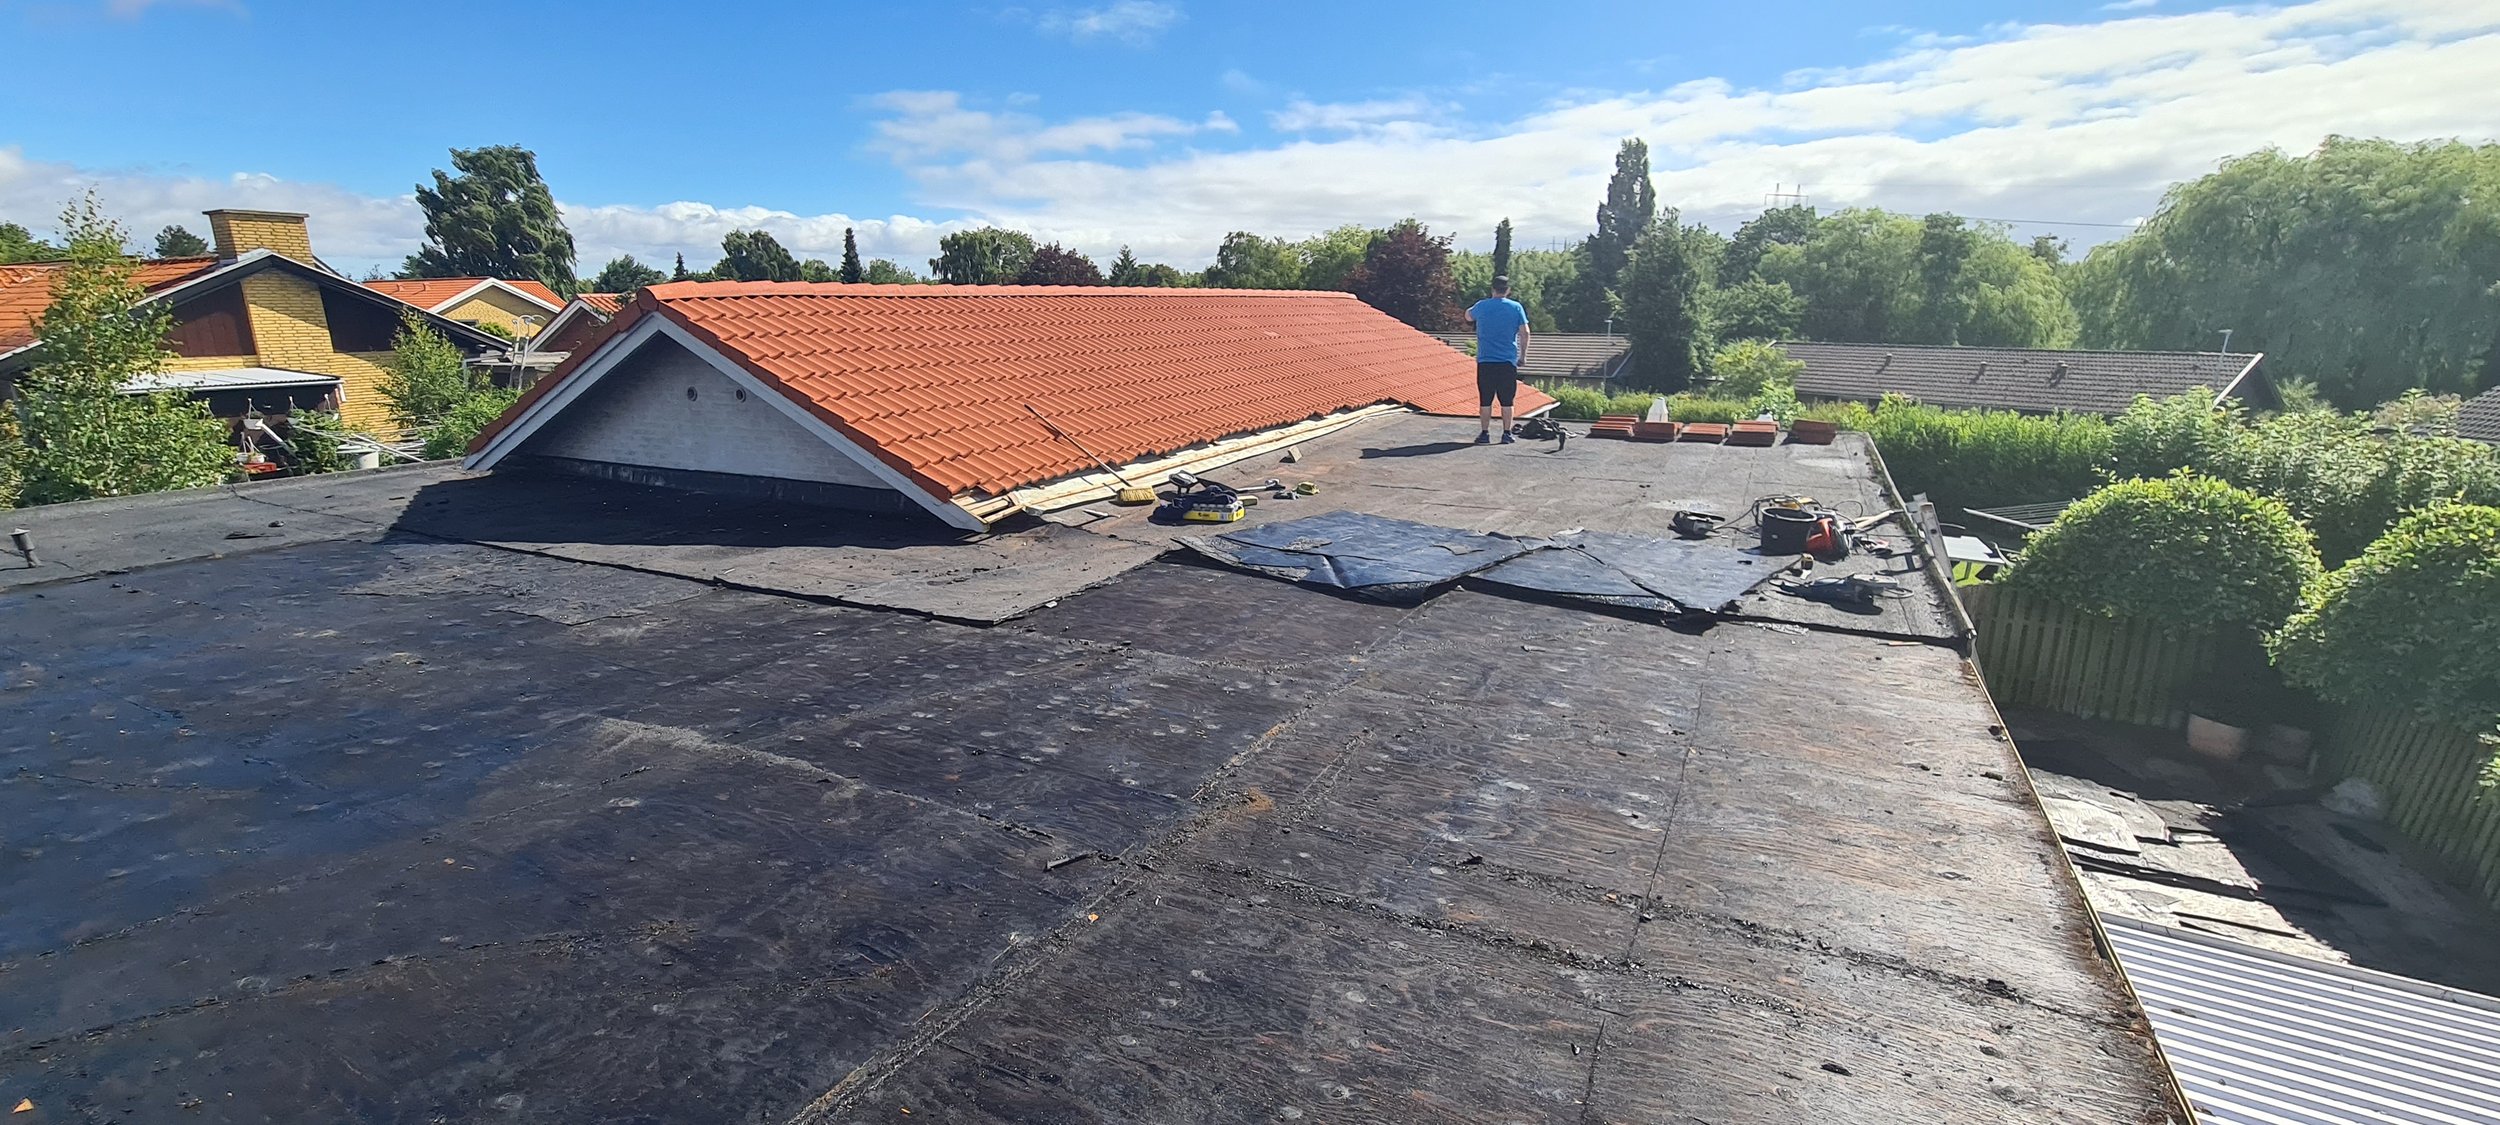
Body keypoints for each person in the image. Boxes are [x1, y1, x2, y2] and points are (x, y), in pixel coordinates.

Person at [1465, 276, 1530, 444]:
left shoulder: (1482, 306)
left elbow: (1468, 316)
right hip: (1507, 361)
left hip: (1486, 360)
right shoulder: (1516, 308)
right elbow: (1525, 332)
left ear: (1492, 289)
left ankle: (1485, 433)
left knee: (1485, 399)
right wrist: (1522, 356)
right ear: (1508, 290)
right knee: (1507, 400)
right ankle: (1506, 433)